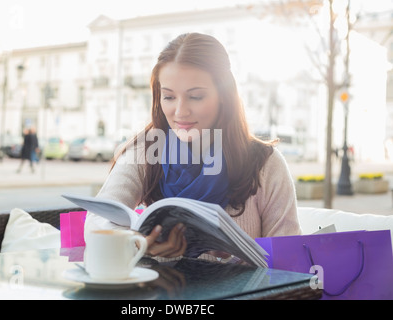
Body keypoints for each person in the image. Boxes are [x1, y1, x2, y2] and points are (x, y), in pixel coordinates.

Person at [85, 33, 301, 260]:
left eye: (195, 96)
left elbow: (289, 258)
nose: (180, 112)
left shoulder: (266, 164)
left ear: (224, 96)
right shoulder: (146, 151)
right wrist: (138, 244)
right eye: (169, 97)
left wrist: (236, 258)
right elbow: (97, 220)